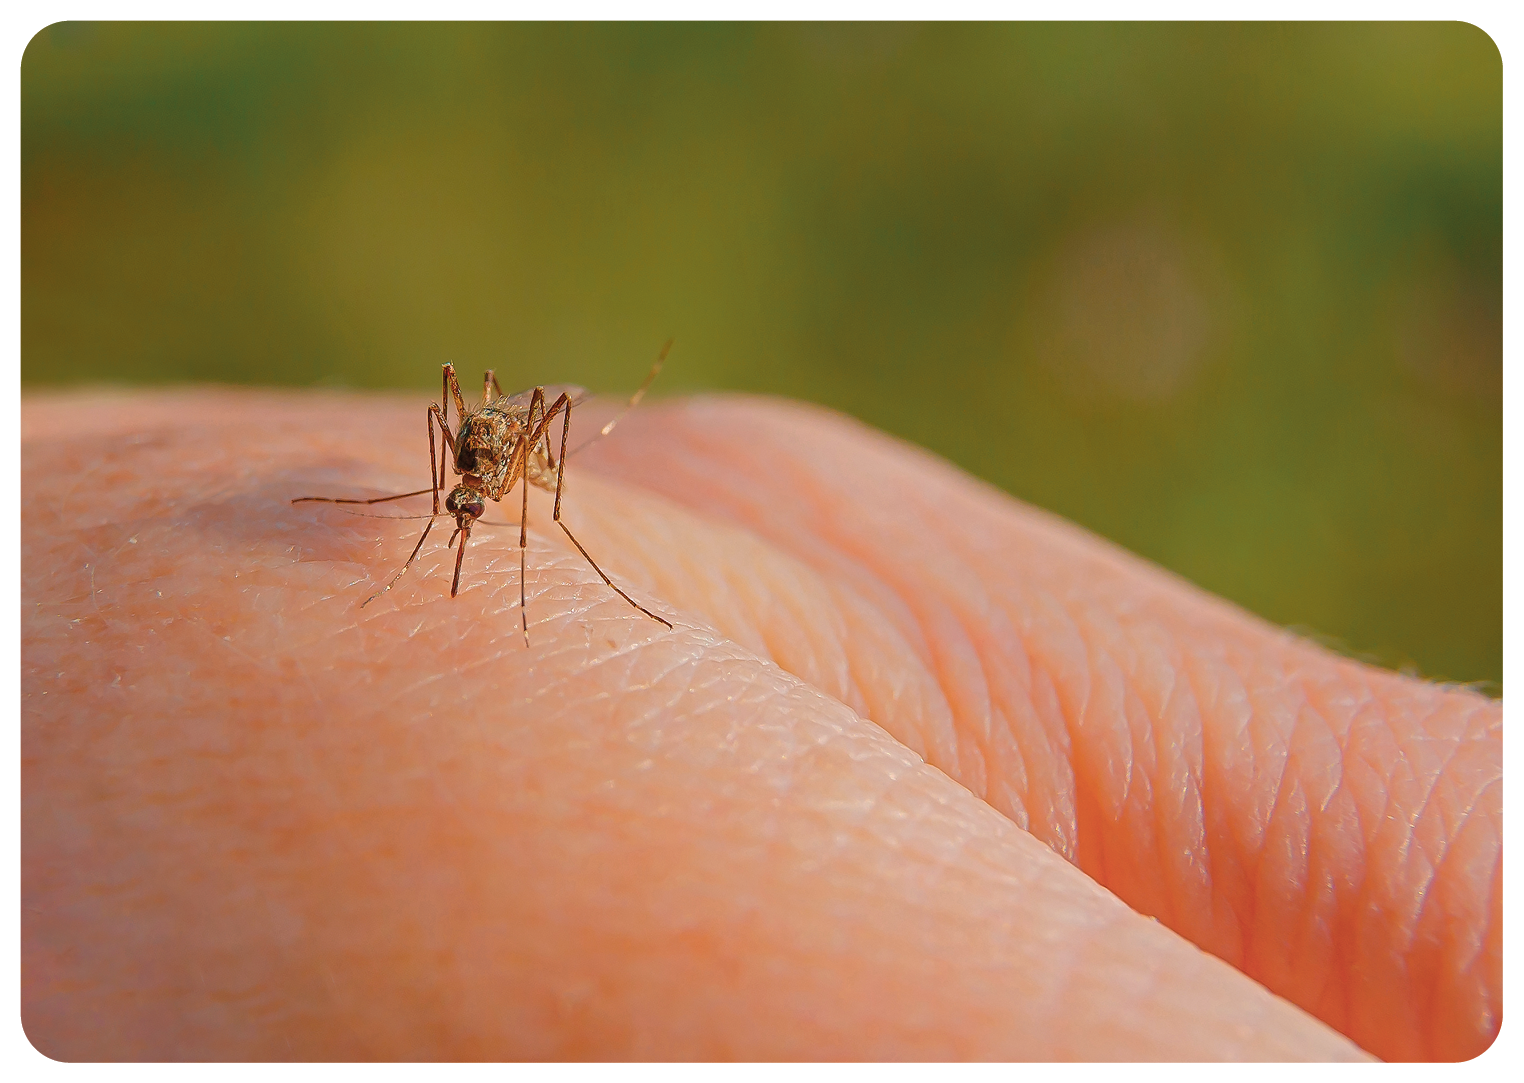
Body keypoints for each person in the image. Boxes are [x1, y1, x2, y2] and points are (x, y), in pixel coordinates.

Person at [20, 387, 1499, 1061]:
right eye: (467, 498)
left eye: (470, 499)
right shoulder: (458, 469)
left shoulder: (516, 467)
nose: (472, 509)